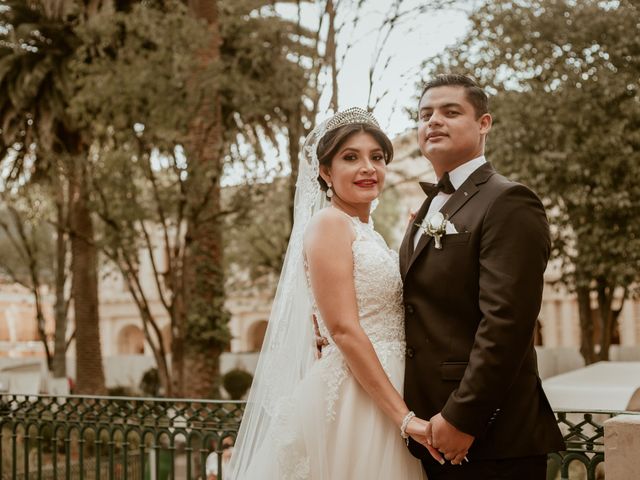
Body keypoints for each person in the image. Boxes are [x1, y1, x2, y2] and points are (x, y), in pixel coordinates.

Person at [227, 108, 440, 479]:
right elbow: (342, 329)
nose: (368, 168)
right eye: (351, 157)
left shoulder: (367, 232)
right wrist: (404, 419)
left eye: (377, 157)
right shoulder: (327, 224)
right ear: (325, 172)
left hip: (389, 383)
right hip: (357, 396)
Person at [399, 74, 565, 479]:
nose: (433, 121)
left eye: (450, 112)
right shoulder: (427, 209)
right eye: (425, 114)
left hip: (489, 437)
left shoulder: (509, 200)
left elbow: (507, 323)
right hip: (426, 433)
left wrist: (462, 417)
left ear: (484, 123)